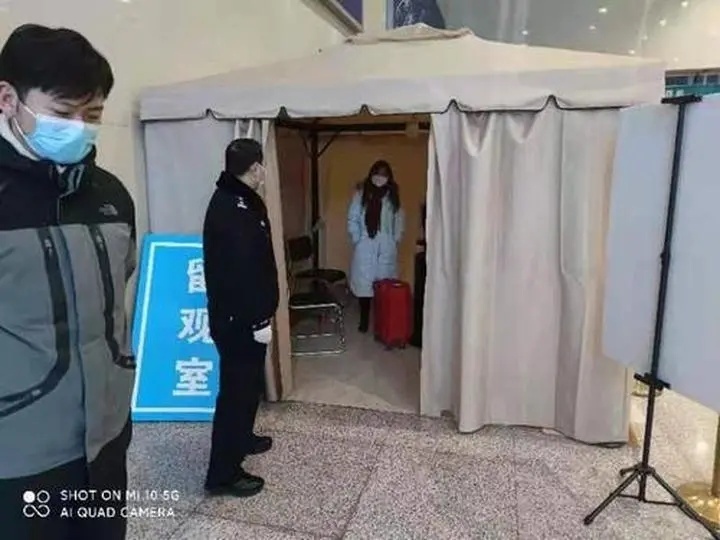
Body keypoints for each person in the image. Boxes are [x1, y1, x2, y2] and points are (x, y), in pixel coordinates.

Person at [0, 25, 136, 540]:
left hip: (106, 439)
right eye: (63, 112)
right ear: (8, 99)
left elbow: (120, 288)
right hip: (18, 453)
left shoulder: (111, 196)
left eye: (93, 115)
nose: (79, 129)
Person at [202, 138, 279, 498]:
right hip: (239, 321)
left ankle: (243, 438)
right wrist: (257, 320)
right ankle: (223, 474)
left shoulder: (241, 199)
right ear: (255, 167)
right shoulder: (231, 208)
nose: (264, 172)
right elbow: (241, 273)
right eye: (262, 165)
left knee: (248, 388)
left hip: (245, 317)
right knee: (235, 394)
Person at [347, 160, 404, 333]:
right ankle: (364, 320)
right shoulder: (361, 194)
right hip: (366, 242)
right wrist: (357, 239)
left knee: (383, 286)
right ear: (371, 174)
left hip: (386, 244)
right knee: (364, 285)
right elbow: (352, 218)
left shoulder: (392, 196)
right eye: (377, 173)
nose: (380, 177)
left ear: (389, 177)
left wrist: (395, 240)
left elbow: (399, 220)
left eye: (384, 174)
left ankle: (382, 323)